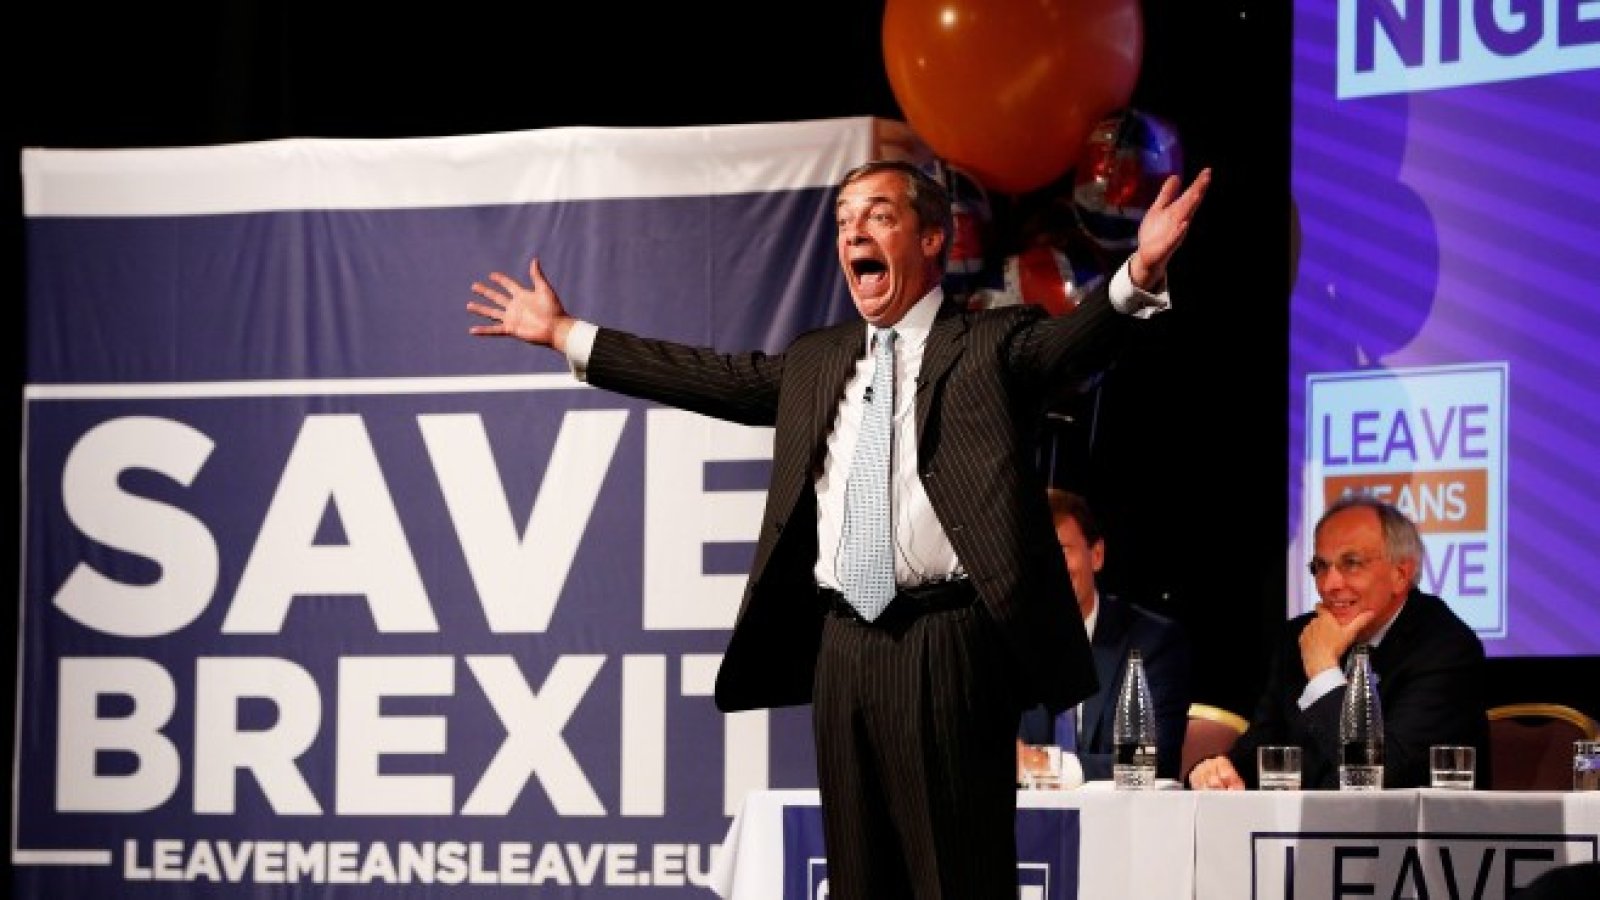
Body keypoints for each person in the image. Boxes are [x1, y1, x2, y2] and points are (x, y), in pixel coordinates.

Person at [466, 158, 1211, 899]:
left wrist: (1139, 269)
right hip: (843, 644)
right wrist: (566, 333)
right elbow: (705, 375)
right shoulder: (818, 360)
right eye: (845, 220)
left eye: (879, 215)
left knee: (956, 878)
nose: (854, 232)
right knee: (858, 878)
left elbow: (1071, 343)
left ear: (932, 239)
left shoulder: (990, 345)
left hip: (947, 643)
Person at [1188, 493, 1490, 791]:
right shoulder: (1299, 637)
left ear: (1401, 574)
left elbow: (1382, 776)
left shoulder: (1445, 648)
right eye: (1321, 566)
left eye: (1352, 563)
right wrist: (1214, 770)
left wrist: (1323, 672)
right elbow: (1259, 756)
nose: (1329, 584)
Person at [1017, 488, 1192, 783]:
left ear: (1096, 555)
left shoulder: (1154, 642)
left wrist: (1050, 767)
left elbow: (1151, 760)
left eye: (1061, 551)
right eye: (1035, 556)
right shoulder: (1005, 647)